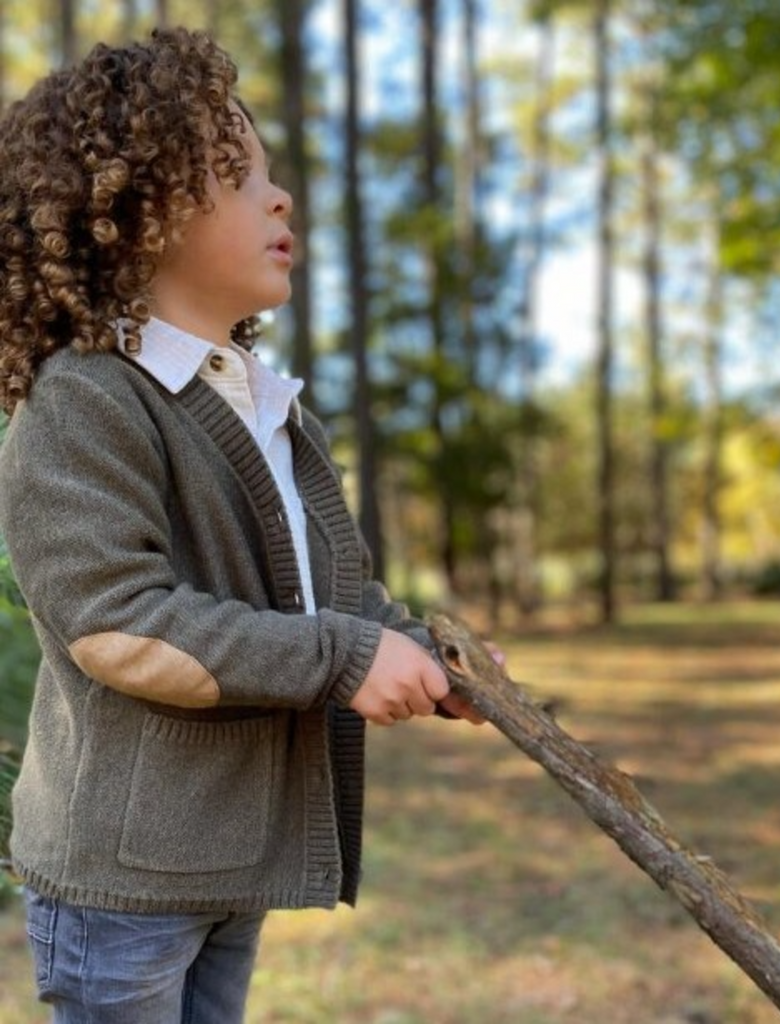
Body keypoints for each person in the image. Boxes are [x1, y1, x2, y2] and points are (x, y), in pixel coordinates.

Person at [0, 27, 487, 1024]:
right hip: (122, 880)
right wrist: (342, 657)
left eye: (269, 172)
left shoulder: (266, 407)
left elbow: (330, 594)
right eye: (236, 176)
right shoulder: (84, 399)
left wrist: (416, 653)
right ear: (134, 214)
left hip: (225, 850)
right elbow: (119, 627)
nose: (281, 196)